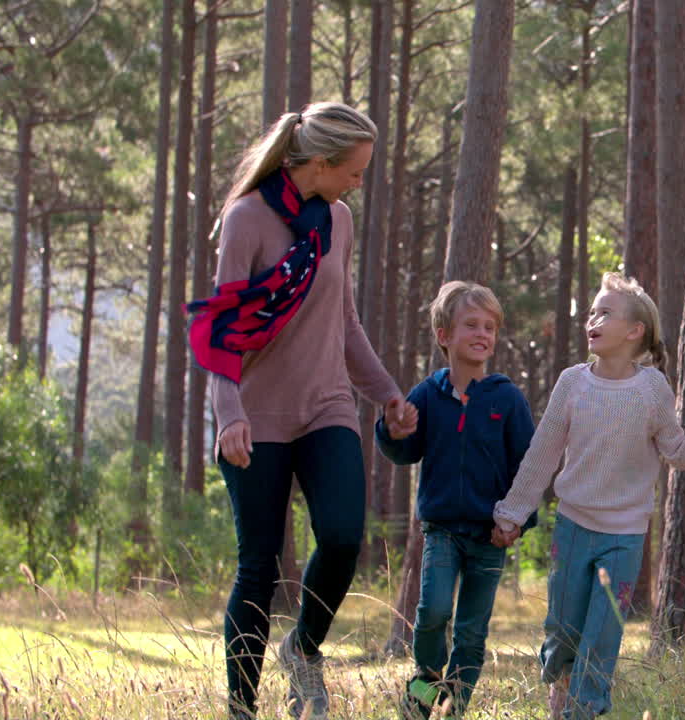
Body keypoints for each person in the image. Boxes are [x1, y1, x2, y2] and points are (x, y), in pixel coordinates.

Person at [185, 101, 418, 720]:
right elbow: (220, 331)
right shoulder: (246, 220)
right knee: (258, 568)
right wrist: (228, 413)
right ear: (318, 163)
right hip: (255, 416)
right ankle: (241, 707)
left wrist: (388, 392)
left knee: (342, 535)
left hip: (326, 405)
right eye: (355, 171)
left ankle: (303, 647)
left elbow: (344, 324)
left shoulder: (335, 222)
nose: (358, 185)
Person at [493, 272, 685, 720]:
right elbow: (542, 454)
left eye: (605, 312)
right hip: (572, 526)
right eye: (590, 312)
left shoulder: (652, 389)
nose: (592, 319)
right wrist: (512, 512)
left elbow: (677, 454)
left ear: (634, 330)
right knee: (562, 629)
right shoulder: (572, 382)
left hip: (624, 536)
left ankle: (584, 709)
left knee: (603, 634)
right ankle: (560, 686)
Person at [376, 280, 537, 720]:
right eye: (471, 324)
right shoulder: (427, 396)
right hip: (442, 530)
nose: (483, 333)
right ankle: (422, 693)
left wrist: (519, 519)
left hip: (490, 536)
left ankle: (452, 710)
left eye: (490, 326)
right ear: (444, 335)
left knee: (470, 633)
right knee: (432, 612)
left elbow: (529, 467)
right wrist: (391, 430)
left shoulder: (507, 399)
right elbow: (404, 450)